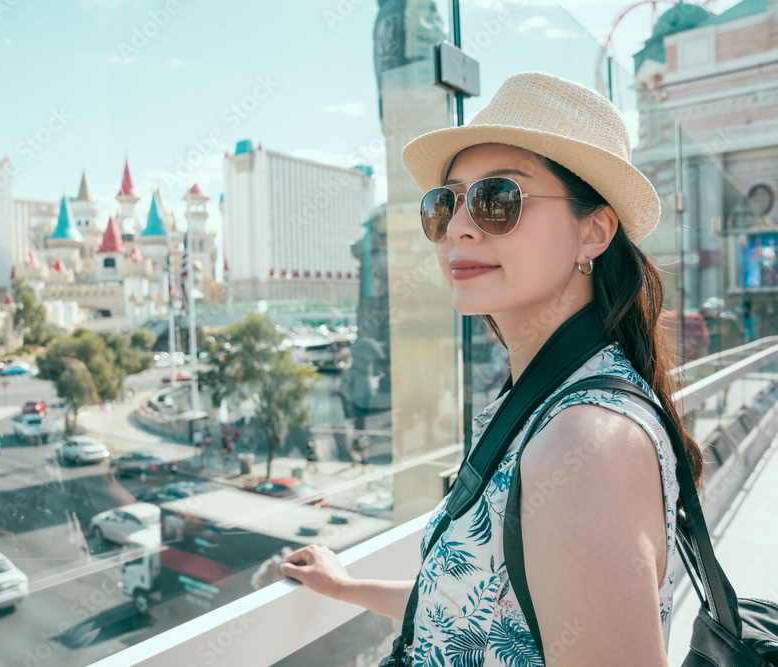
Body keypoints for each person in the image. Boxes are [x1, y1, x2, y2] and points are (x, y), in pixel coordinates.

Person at [281, 72, 699, 665]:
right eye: (444, 203)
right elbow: (479, 619)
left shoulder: (584, 442)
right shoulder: (543, 400)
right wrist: (347, 588)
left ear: (594, 231)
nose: (458, 227)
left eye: (498, 200)